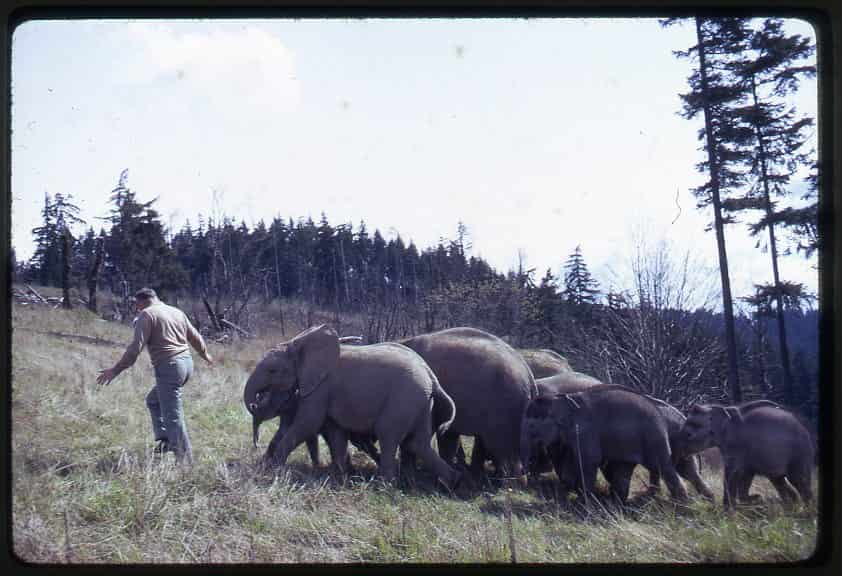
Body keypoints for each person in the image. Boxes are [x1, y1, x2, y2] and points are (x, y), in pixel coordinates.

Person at [97, 287, 213, 465]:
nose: (137, 309)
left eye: (137, 305)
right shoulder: (176, 311)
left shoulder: (147, 315)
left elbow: (135, 349)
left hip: (170, 367)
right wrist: (205, 355)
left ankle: (186, 464)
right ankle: (166, 439)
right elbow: (195, 337)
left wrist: (115, 370)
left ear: (143, 301)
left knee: (173, 417)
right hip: (187, 364)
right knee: (153, 400)